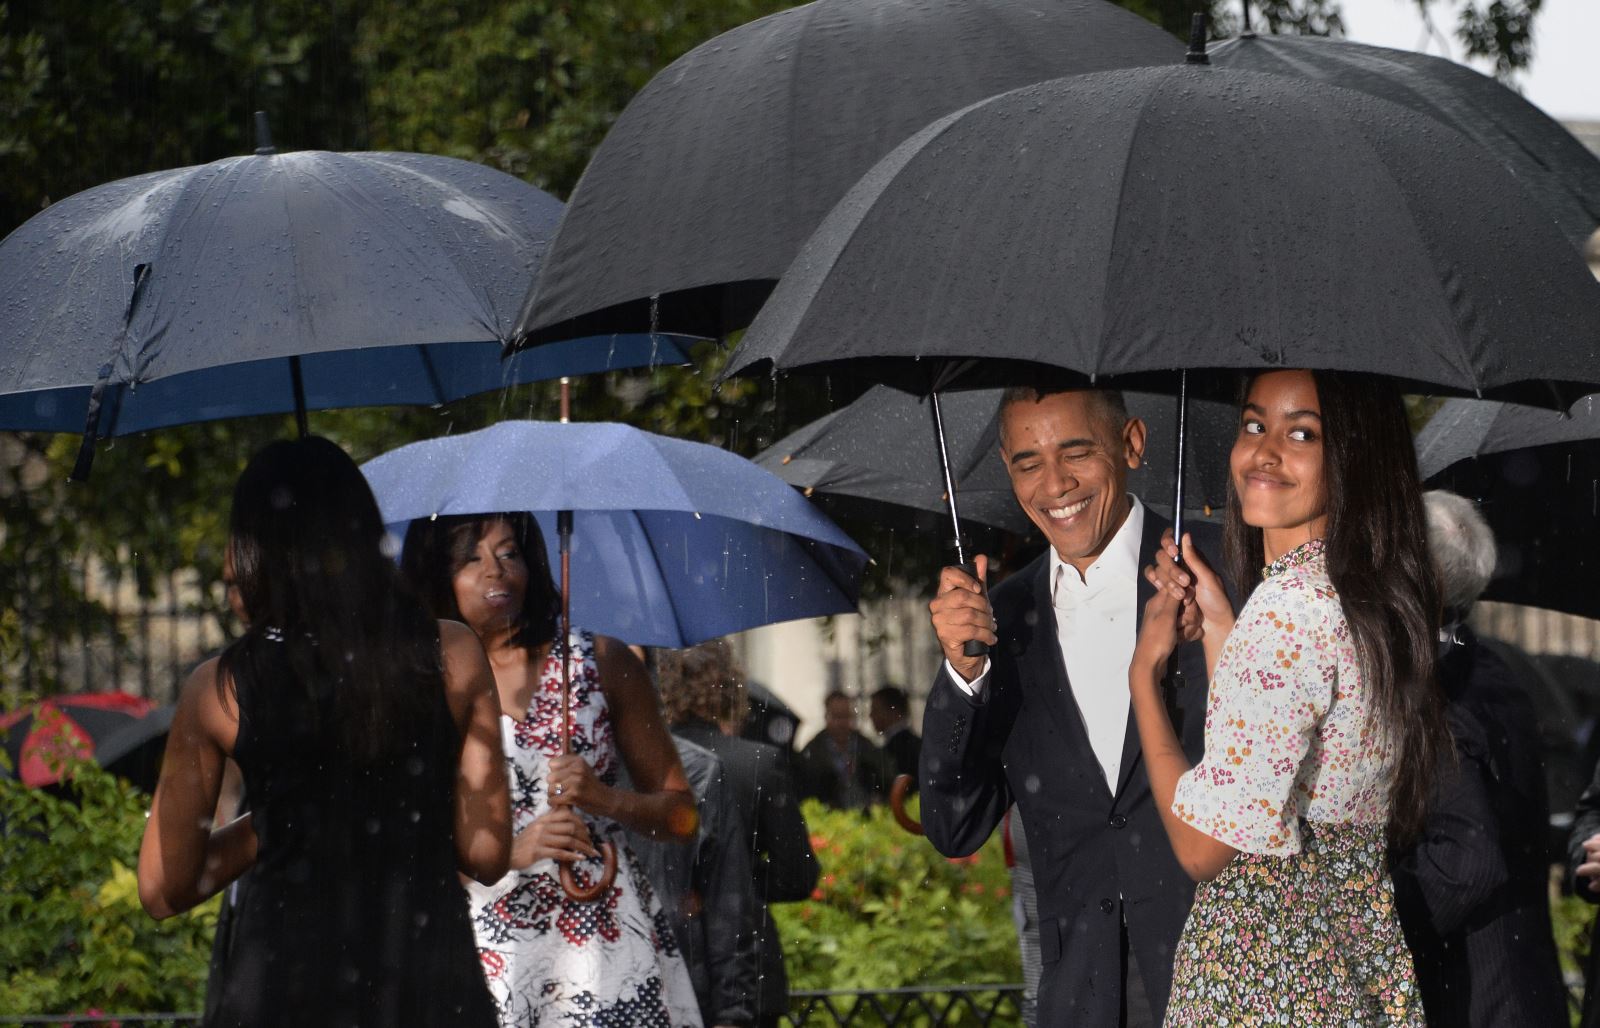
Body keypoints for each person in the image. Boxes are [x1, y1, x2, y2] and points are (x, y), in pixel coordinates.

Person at [137, 436, 511, 1025]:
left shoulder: (219, 690)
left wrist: (275, 817)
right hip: (426, 987)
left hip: (284, 991)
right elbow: (486, 854)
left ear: (254, 548)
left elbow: (164, 889)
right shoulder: (454, 653)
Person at [1129, 369, 1443, 1024]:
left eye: (1302, 432)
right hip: (1347, 968)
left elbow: (1202, 849)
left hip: (1268, 976)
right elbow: (1271, 759)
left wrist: (1143, 679)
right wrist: (1219, 623)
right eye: (1253, 424)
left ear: (1353, 455)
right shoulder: (1357, 600)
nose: (1264, 451)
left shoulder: (1286, 613)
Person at [921, 382, 1220, 1026]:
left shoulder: (1218, 570)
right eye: (1028, 463)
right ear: (1007, 469)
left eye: (1076, 453)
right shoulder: (998, 616)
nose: (1054, 485)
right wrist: (962, 675)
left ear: (1132, 443)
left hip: (1223, 978)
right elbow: (954, 824)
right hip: (1078, 995)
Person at [401, 512, 702, 1027]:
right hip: (480, 947)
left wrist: (606, 799)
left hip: (603, 948)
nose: (495, 570)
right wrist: (506, 854)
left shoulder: (600, 660)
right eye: (470, 558)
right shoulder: (415, 684)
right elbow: (398, 839)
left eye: (509, 552)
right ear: (435, 574)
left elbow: (682, 819)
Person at [1393, 490, 1565, 1026]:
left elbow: (1468, 862)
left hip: (1474, 995)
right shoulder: (1492, 669)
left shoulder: (1441, 692)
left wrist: (1370, 913)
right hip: (1523, 983)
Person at [655, 641, 819, 1028]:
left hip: (664, 953)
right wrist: (737, 880)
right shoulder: (757, 763)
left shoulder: (646, 765)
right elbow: (795, 877)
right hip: (748, 964)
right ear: (730, 685)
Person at [621, 721, 761, 1028]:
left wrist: (732, 1014)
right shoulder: (527, 765)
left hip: (673, 992)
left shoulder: (698, 770)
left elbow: (728, 906)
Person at [797, 691, 892, 810]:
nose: (841, 723)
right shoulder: (812, 753)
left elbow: (887, 782)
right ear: (826, 717)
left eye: (846, 716)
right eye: (836, 717)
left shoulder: (868, 748)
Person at [868, 685, 921, 785]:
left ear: (893, 711)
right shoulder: (918, 744)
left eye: (875, 709)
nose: (870, 715)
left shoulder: (895, 751)